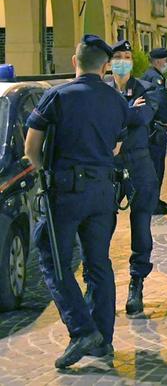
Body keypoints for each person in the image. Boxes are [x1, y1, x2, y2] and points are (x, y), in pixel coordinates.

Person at [24, 36, 128, 368]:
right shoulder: (116, 100)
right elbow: (115, 148)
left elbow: (31, 147)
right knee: (98, 265)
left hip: (67, 192)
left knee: (53, 258)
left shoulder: (57, 96)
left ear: (74, 62)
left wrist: (46, 172)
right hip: (103, 192)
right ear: (105, 66)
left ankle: (83, 331)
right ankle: (103, 341)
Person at [106, 40, 161, 317]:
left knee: (140, 226)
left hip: (139, 164)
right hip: (109, 166)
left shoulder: (148, 88)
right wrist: (129, 108)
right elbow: (126, 117)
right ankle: (97, 287)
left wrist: (118, 114)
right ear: (109, 62)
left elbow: (143, 118)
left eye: (126, 56)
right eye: (117, 56)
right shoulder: (101, 91)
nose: (122, 61)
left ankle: (136, 284)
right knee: (101, 226)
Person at [141, 47, 167, 215]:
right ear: (159, 61)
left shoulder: (149, 75)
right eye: (166, 60)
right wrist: (165, 121)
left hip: (151, 129)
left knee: (154, 166)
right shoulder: (155, 78)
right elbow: (159, 102)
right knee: (156, 167)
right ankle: (153, 203)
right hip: (156, 129)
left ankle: (155, 199)